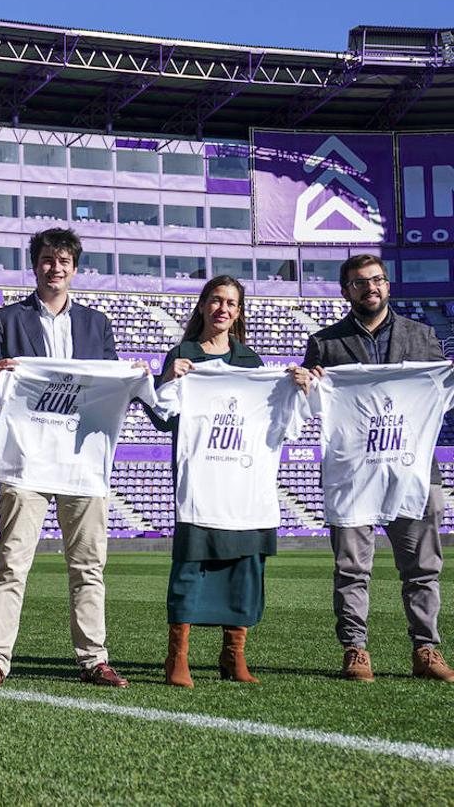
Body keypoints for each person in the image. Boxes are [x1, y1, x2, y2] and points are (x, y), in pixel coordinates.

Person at [0, 227, 131, 689]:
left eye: (63, 260)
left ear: (75, 268)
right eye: (47, 259)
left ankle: (93, 658)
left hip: (81, 462)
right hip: (28, 461)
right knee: (11, 563)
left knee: (88, 567)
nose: (55, 267)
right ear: (35, 265)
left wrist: (134, 377)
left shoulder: (96, 324)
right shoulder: (7, 320)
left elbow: (113, 384)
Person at [299, 254, 454, 683]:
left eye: (378, 280)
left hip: (415, 469)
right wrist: (307, 384)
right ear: (346, 290)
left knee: (423, 566)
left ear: (387, 285)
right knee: (351, 567)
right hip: (354, 472)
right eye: (360, 282)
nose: (371, 287)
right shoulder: (325, 344)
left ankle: (426, 649)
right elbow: (311, 404)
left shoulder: (423, 336)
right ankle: (355, 649)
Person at [152, 275, 268, 688]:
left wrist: (297, 386)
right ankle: (177, 657)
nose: (223, 309)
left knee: (245, 569)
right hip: (201, 484)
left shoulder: (251, 363)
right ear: (203, 306)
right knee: (190, 568)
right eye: (216, 300)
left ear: (239, 313)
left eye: (231, 304)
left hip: (242, 486)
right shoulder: (183, 354)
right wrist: (167, 378)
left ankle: (233, 654)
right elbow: (159, 415)